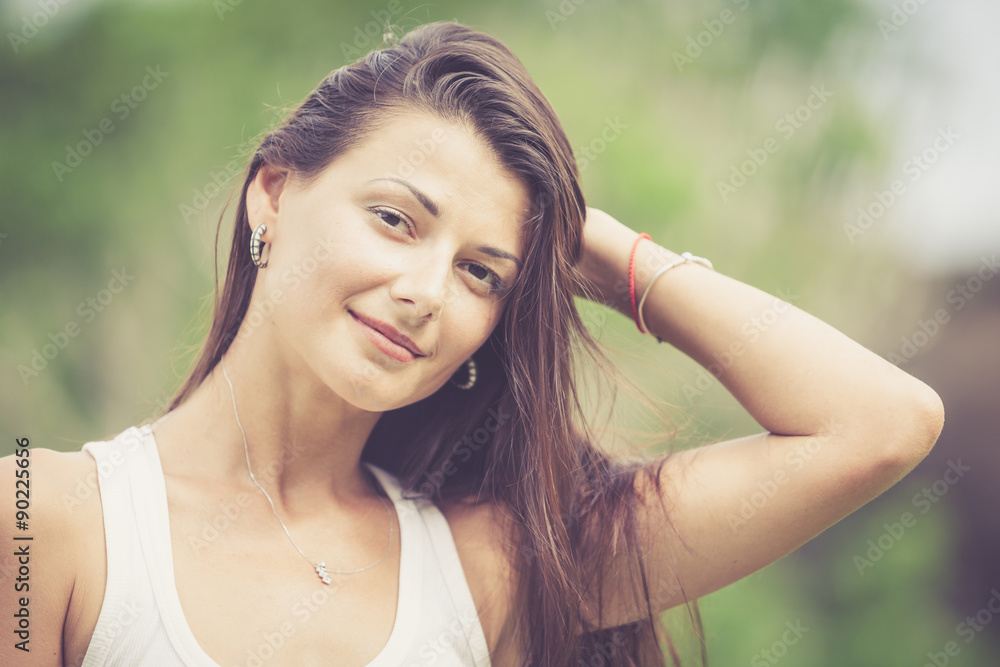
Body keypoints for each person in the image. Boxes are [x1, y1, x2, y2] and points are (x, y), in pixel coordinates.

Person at [0, 20, 944, 667]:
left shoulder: (491, 563)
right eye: (396, 220)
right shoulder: (42, 517)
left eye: (481, 272)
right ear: (274, 194)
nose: (423, 293)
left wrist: (600, 253)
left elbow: (879, 423)